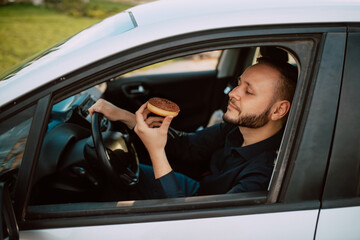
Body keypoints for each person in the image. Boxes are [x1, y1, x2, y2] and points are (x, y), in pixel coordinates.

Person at [88, 56, 297, 199]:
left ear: (278, 110)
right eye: (239, 83)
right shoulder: (235, 129)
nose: (233, 93)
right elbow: (188, 146)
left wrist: (156, 150)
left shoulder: (263, 175)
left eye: (248, 92)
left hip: (196, 211)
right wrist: (125, 116)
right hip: (200, 192)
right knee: (114, 170)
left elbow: (192, 223)